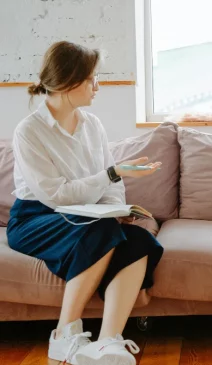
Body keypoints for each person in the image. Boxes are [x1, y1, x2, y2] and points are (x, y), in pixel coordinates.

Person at [7, 41, 164, 365]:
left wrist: (118, 210)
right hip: (36, 218)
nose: (98, 86)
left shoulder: (92, 125)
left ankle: (107, 342)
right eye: (92, 78)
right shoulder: (29, 131)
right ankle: (64, 334)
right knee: (100, 229)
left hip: (91, 215)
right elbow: (56, 195)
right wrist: (111, 174)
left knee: (140, 241)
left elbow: (111, 184)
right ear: (69, 81)